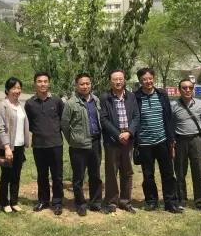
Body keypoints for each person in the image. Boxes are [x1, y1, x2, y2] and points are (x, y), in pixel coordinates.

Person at [133, 68, 180, 213]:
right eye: (144, 79)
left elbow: (168, 117)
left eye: (150, 78)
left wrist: (171, 139)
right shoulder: (135, 97)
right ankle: (151, 201)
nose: (148, 81)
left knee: (168, 173)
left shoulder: (162, 94)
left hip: (162, 141)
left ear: (153, 78)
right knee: (148, 175)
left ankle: (170, 202)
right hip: (144, 143)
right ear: (140, 81)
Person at [61, 72, 103, 216]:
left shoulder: (96, 100)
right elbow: (65, 125)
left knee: (95, 175)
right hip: (78, 146)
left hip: (95, 143)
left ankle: (96, 202)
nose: (85, 86)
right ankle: (80, 204)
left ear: (91, 84)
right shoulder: (71, 103)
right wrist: (73, 140)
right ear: (77, 86)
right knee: (78, 177)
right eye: (82, 84)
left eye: (87, 83)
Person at [100, 69, 140, 213]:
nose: (118, 82)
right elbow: (103, 119)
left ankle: (125, 201)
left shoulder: (131, 96)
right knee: (111, 171)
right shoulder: (105, 97)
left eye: (120, 79)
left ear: (124, 80)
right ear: (110, 81)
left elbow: (136, 116)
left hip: (128, 140)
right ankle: (111, 201)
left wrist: (129, 132)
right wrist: (118, 135)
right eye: (115, 79)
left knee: (127, 171)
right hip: (112, 140)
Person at [24, 72, 64, 215]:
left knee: (57, 175)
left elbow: (62, 120)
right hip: (39, 145)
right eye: (39, 81)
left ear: (49, 83)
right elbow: (28, 123)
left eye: (45, 81)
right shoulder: (29, 103)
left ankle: (57, 202)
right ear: (35, 83)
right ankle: (43, 200)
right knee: (42, 175)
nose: (43, 84)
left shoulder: (57, 101)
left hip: (56, 144)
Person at [171, 78, 201, 213]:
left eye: (190, 87)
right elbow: (170, 125)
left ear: (193, 89)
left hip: (196, 140)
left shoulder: (200, 104)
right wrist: (171, 144)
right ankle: (181, 200)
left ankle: (200, 201)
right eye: (184, 88)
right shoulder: (173, 105)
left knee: (198, 172)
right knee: (180, 172)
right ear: (179, 90)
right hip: (180, 141)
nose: (187, 90)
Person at [0, 77, 30, 213]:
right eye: (14, 88)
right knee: (6, 176)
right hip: (8, 147)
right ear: (7, 90)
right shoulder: (3, 105)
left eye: (19, 88)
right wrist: (7, 147)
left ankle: (14, 201)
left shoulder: (20, 105)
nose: (17, 91)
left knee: (16, 175)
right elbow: (0, 128)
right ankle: (4, 203)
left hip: (19, 146)